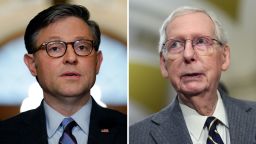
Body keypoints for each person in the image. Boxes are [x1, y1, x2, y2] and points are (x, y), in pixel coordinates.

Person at [0, 4, 126, 144]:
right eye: (54, 48)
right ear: (31, 64)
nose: (71, 58)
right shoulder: (5, 135)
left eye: (82, 47)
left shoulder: (128, 132)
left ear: (98, 62)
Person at [130, 6, 256, 144]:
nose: (188, 54)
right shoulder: (136, 137)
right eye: (175, 45)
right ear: (164, 64)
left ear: (224, 57)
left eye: (201, 41)